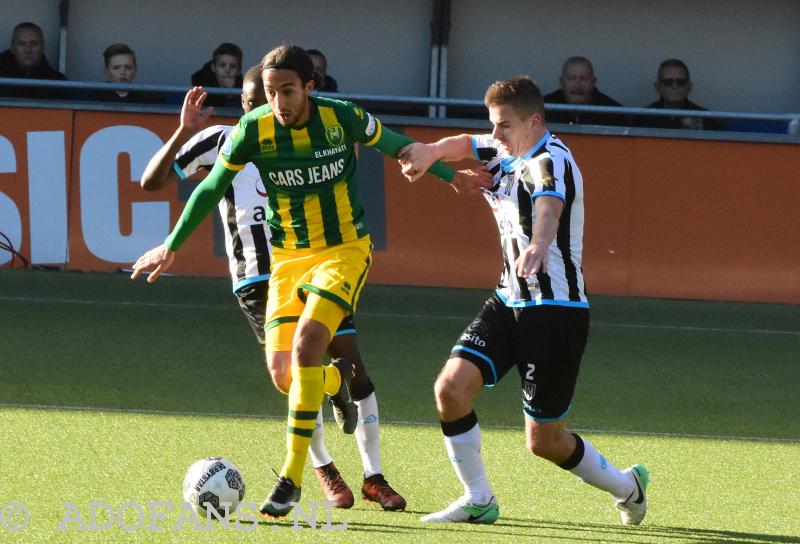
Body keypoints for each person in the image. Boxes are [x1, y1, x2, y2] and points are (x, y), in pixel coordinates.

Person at [130, 44, 490, 518]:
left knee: (307, 348)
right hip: (287, 261)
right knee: (286, 378)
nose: (277, 101)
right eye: (270, 92)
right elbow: (211, 185)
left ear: (310, 88)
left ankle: (291, 479)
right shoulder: (250, 131)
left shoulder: (342, 118)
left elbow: (400, 145)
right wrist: (172, 243)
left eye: (287, 90)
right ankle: (336, 383)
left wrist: (447, 174)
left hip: (344, 252)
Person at [397, 76, 649, 526]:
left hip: (556, 312)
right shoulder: (506, 148)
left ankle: (628, 487)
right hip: (508, 299)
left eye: (504, 125)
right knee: (450, 390)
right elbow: (462, 143)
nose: (494, 135)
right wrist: (432, 154)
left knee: (544, 441)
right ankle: (478, 498)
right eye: (492, 124)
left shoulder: (551, 159)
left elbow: (549, 206)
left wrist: (538, 243)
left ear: (534, 121)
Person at [637, 58, 721, 130]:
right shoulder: (643, 117)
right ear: (657, 87)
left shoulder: (704, 117)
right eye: (668, 82)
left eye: (681, 82)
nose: (675, 86)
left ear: (689, 87)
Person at [543, 56, 624, 126]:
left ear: (593, 82)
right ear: (561, 82)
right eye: (571, 78)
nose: (577, 85)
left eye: (584, 79)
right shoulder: (542, 109)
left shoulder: (613, 112)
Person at [0, 22, 67, 99]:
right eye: (21, 44)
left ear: (43, 47)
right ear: (12, 48)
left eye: (34, 44)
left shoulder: (58, 82)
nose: (28, 50)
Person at [90, 43, 159, 103]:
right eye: (116, 68)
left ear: (135, 70)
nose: (122, 72)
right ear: (106, 71)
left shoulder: (144, 100)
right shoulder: (94, 99)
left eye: (128, 67)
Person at [190, 42, 243, 108]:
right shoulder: (201, 84)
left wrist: (231, 95)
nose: (227, 70)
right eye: (222, 65)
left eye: (232, 66)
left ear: (238, 71)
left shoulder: (244, 89)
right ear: (213, 68)